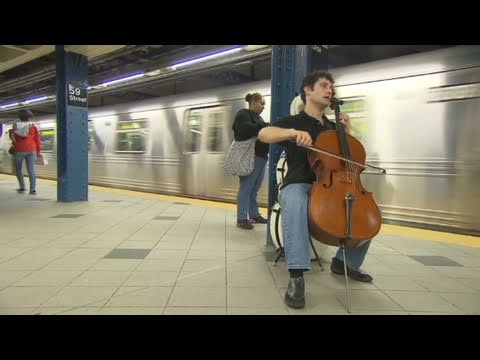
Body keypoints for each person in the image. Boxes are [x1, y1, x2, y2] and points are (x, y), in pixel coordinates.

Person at [258, 71, 373, 309]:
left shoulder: (333, 127)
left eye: (332, 87)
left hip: (333, 187)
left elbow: (348, 160)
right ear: (308, 91)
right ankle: (297, 277)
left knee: (365, 211)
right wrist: (291, 134)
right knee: (296, 200)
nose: (330, 90)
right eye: (324, 85)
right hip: (299, 183)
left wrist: (347, 131)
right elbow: (263, 134)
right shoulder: (294, 121)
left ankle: (345, 263)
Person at [232, 93, 269, 230]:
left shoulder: (258, 118)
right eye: (261, 103)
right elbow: (245, 129)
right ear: (253, 102)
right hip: (250, 156)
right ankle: (241, 219)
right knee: (246, 187)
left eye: (264, 104)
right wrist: (266, 126)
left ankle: (254, 214)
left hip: (261, 156)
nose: (263, 107)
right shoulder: (243, 114)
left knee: (254, 188)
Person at [10, 109, 42, 195]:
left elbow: (13, 140)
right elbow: (37, 140)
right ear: (29, 117)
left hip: (19, 150)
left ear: (19, 117)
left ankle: (22, 187)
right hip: (31, 150)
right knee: (31, 170)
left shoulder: (15, 126)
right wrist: (39, 151)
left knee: (18, 169)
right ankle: (33, 190)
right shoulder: (33, 126)